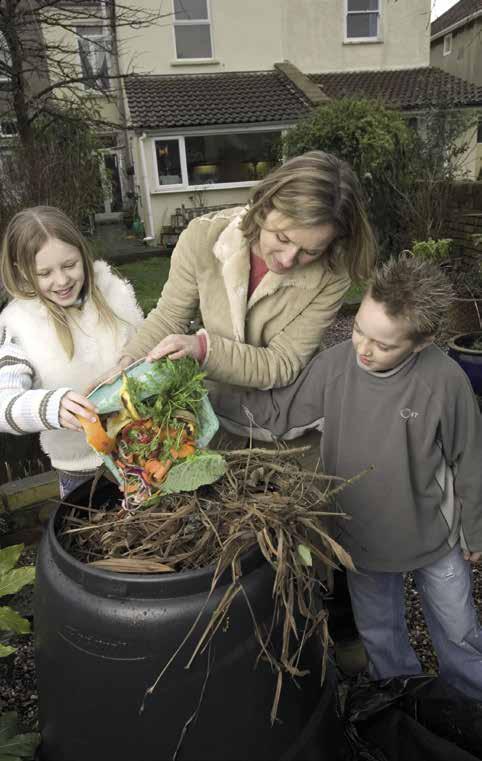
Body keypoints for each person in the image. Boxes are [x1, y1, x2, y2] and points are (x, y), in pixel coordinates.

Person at [208, 254, 482, 701]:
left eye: (383, 344)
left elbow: (470, 458)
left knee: (458, 628)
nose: (364, 349)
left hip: (436, 536)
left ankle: (472, 702)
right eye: (359, 329)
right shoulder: (336, 367)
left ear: (420, 342)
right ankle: (400, 701)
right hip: (363, 537)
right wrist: (207, 388)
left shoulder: (445, 381)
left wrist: (476, 531)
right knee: (379, 632)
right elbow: (276, 414)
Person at [108, 151, 376, 390]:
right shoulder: (203, 236)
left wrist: (203, 349)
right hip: (215, 398)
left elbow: (281, 364)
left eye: (310, 252)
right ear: (264, 205)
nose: (287, 260)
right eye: (282, 238)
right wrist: (127, 363)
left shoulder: (333, 273)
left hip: (289, 403)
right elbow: (169, 319)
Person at [0, 206, 143, 498]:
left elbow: (145, 351)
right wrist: (53, 406)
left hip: (145, 452)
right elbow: (4, 402)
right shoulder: (17, 325)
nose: (62, 281)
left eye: (69, 265)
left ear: (83, 253)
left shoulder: (115, 292)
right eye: (45, 273)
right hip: (83, 475)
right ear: (21, 271)